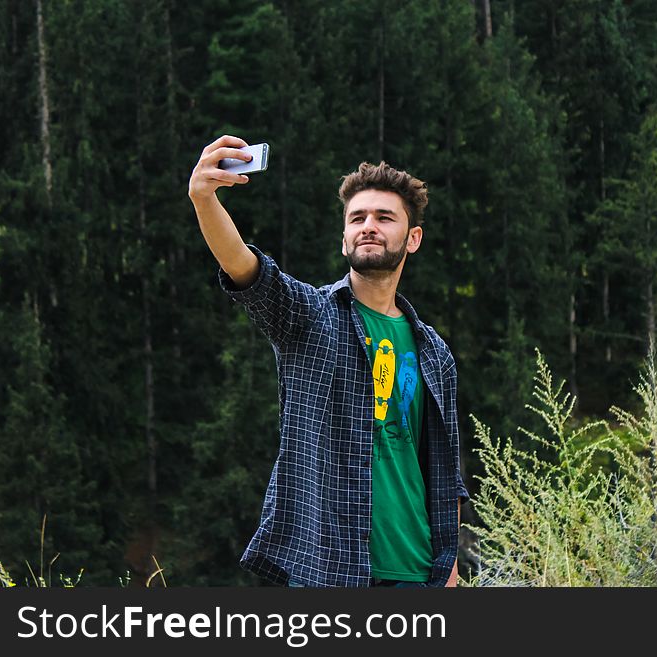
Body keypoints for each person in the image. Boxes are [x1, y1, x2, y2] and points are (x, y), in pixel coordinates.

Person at [188, 135, 469, 587]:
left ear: (412, 238)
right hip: (333, 573)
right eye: (357, 218)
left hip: (419, 576)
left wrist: (450, 571)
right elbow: (245, 267)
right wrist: (204, 199)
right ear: (344, 239)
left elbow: (444, 471)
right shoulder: (310, 318)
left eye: (384, 217)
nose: (368, 226)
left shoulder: (434, 352)